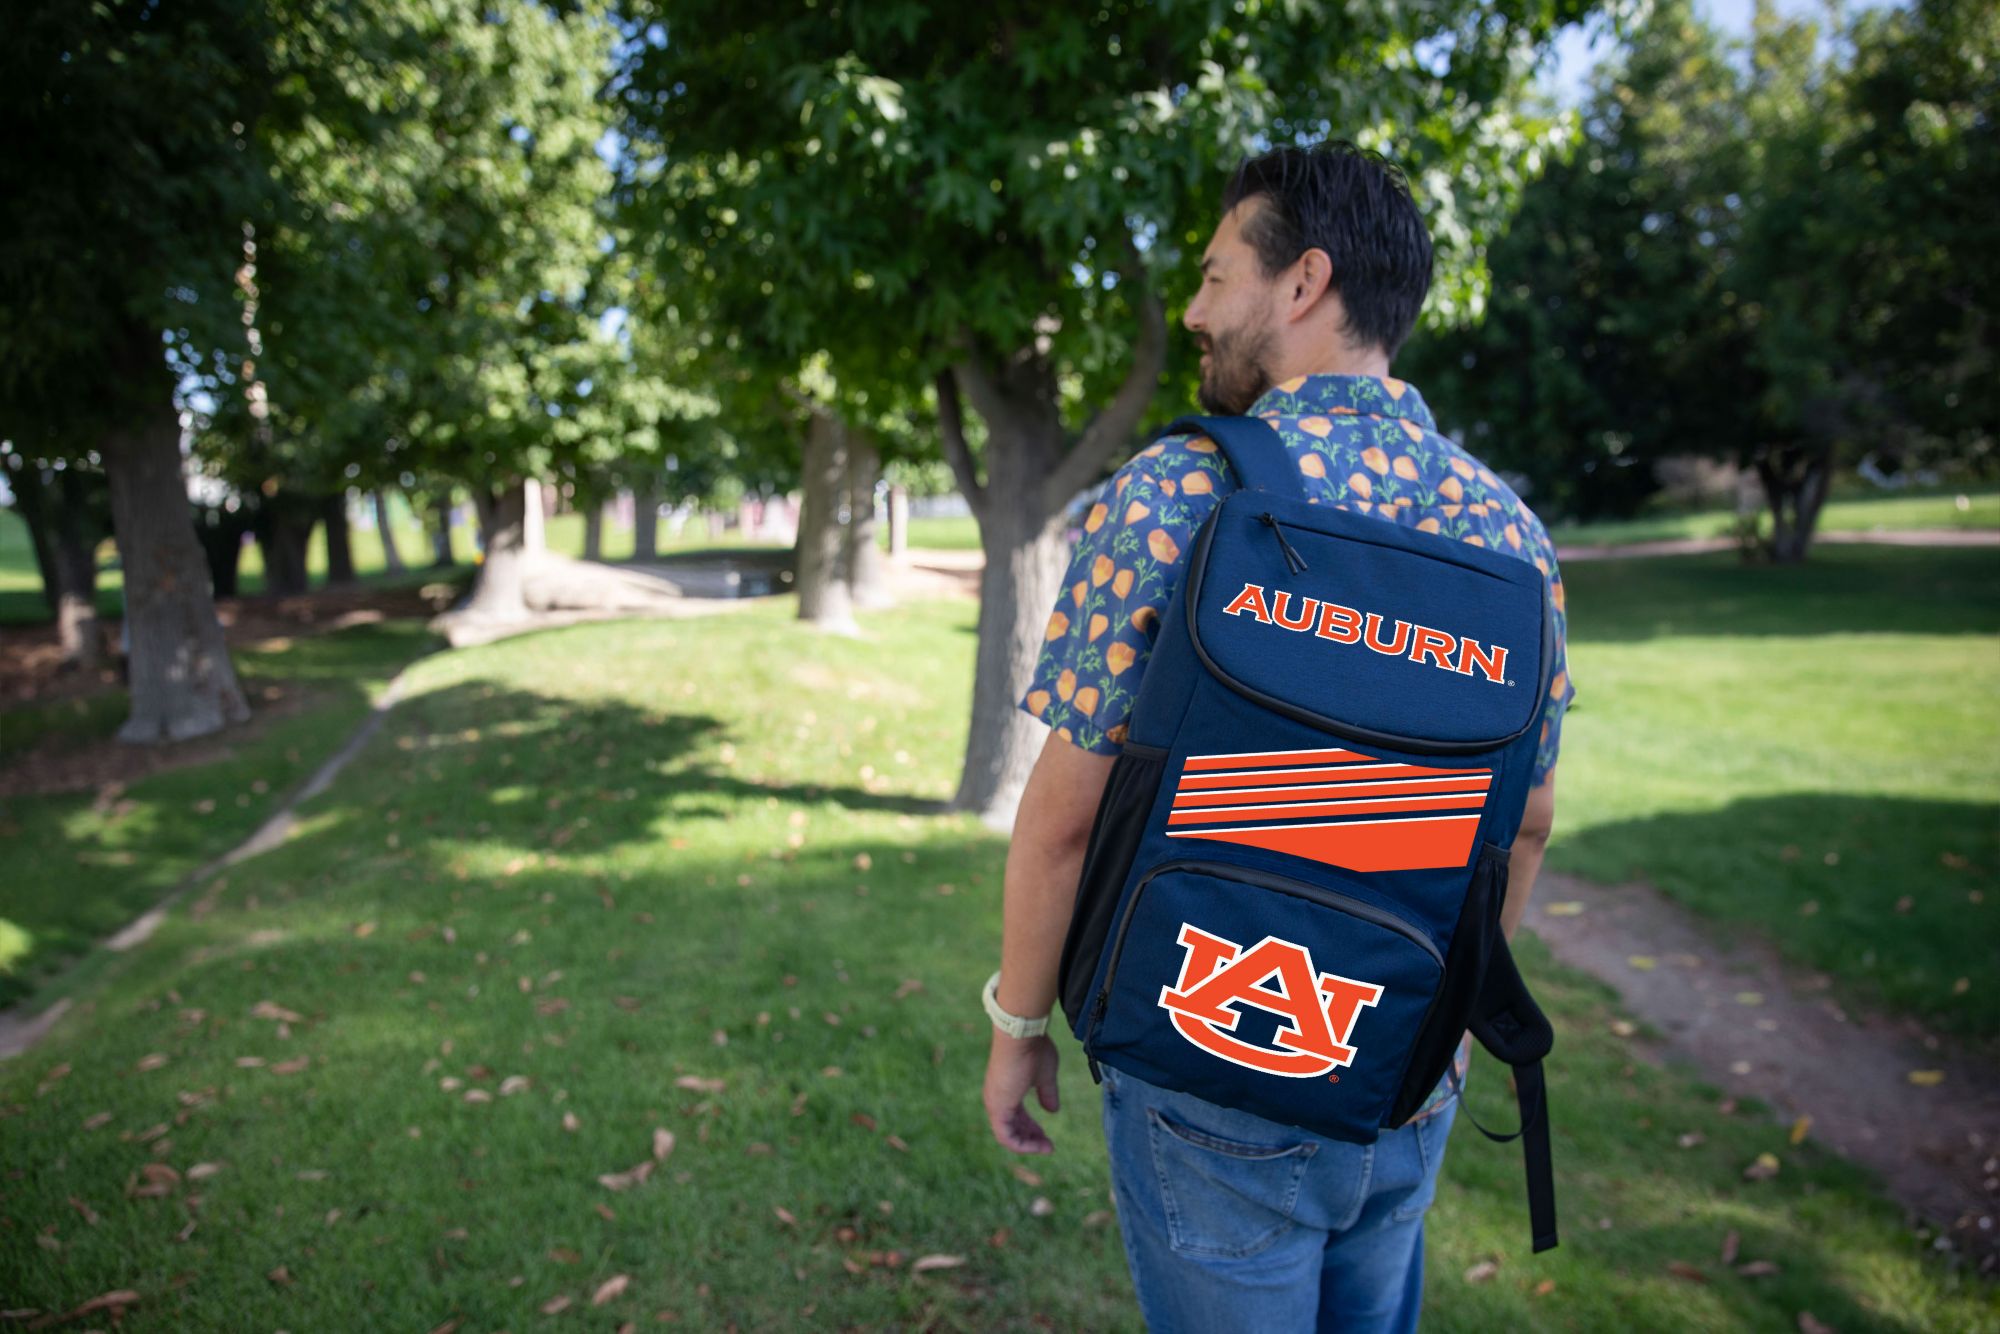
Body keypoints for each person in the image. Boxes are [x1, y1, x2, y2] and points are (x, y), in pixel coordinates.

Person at [979, 142, 1577, 1332]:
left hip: (1207, 1053)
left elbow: (1061, 821)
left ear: (1302, 282)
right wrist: (1436, 1020)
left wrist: (1015, 1027)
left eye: (1211, 276)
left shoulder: (1176, 491)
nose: (1194, 311)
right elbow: (1530, 820)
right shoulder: (1509, 533)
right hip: (1403, 1065)